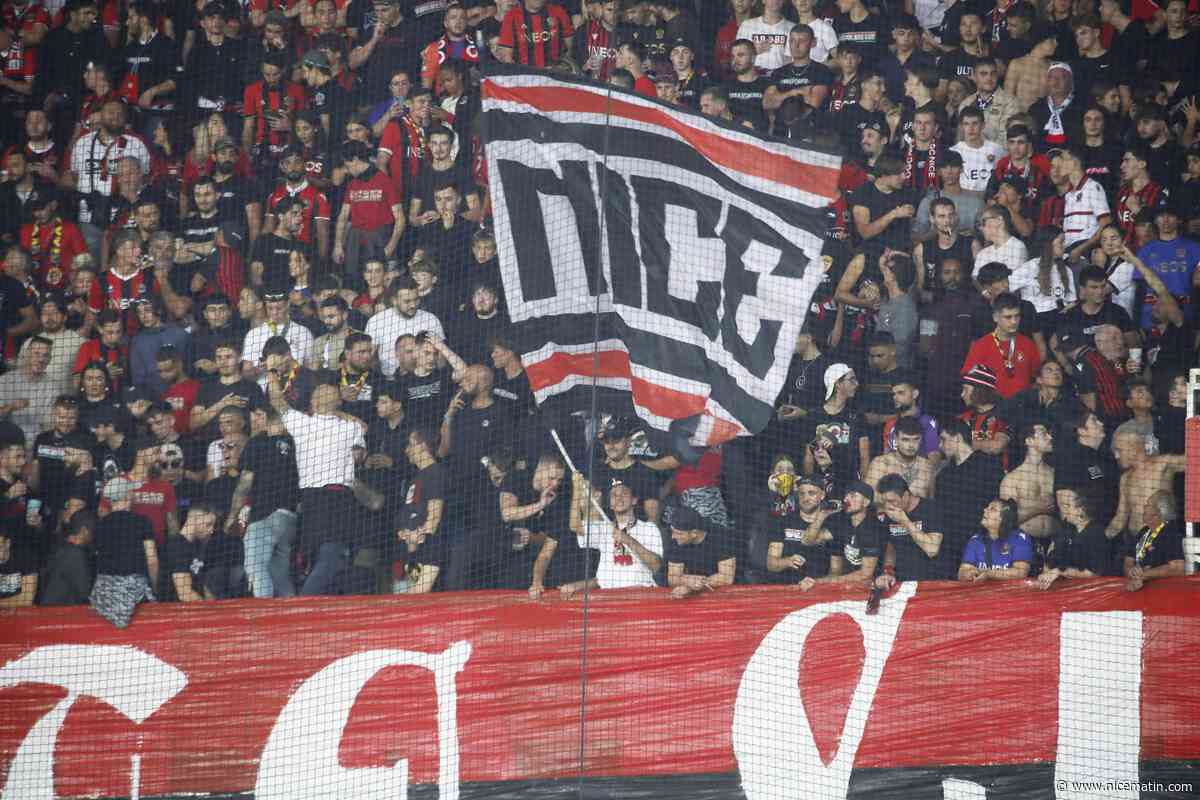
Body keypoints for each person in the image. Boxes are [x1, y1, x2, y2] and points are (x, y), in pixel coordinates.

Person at [271, 379, 364, 596]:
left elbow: (360, 455)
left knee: (331, 554)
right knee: (319, 556)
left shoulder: (352, 427)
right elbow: (277, 401)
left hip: (337, 495)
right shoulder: (303, 422)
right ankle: (306, 601)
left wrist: (358, 455)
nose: (328, 390)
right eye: (323, 388)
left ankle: (306, 601)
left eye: (331, 389)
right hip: (315, 497)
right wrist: (273, 375)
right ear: (313, 401)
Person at [229, 403, 299, 598]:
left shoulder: (257, 442)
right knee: (279, 574)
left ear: (264, 416)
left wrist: (232, 516)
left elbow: (245, 483)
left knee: (255, 567)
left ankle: (262, 614)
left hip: (263, 515)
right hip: (289, 518)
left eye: (256, 417)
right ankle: (292, 617)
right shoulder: (296, 442)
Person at [561, 474, 663, 596]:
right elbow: (575, 526)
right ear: (610, 504)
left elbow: (657, 566)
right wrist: (577, 489)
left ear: (634, 500)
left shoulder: (649, 529)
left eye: (624, 493)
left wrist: (628, 540)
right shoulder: (604, 528)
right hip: (608, 598)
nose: (619, 498)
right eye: (614, 495)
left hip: (640, 596)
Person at [90, 475, 158, 628]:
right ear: (127, 496)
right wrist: (155, 587)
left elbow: (96, 558)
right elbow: (152, 559)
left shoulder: (99, 526)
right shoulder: (143, 521)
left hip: (104, 591)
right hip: (134, 590)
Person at [936, 418, 1004, 561]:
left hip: (985, 544)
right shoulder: (943, 476)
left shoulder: (989, 465)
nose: (940, 445)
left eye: (943, 439)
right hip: (952, 549)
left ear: (958, 437)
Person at [798, 481, 886, 591]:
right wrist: (822, 515)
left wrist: (819, 582)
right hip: (847, 585)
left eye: (853, 496)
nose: (846, 499)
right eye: (846, 495)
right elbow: (807, 540)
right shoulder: (843, 523)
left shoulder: (872, 527)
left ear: (866, 502)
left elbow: (865, 574)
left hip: (875, 588)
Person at [1107, 429, 1187, 542]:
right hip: (1134, 542)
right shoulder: (1125, 478)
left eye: (1119, 450)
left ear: (1133, 449)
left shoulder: (1163, 464)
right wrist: (1102, 537)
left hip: (1161, 539)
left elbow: (1194, 459)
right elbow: (1120, 517)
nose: (1116, 456)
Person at [395, 427, 447, 594]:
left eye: (410, 445)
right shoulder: (415, 477)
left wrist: (418, 534)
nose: (407, 450)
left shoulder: (435, 473)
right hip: (409, 549)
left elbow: (434, 516)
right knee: (401, 597)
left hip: (428, 550)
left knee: (415, 598)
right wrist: (404, 532)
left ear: (423, 446)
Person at [961, 291, 1041, 398]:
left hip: (1023, 408)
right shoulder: (981, 346)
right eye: (1008, 317)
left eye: (1017, 316)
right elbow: (969, 382)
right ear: (995, 317)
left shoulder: (1028, 344)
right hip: (994, 409)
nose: (1014, 321)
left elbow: (1037, 378)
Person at [364, 276, 446, 378]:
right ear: (394, 300)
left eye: (416, 300)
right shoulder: (376, 322)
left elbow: (442, 360)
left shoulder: (431, 320)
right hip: (391, 382)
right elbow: (367, 358)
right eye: (407, 301)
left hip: (428, 381)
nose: (413, 305)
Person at [762, 472, 834, 583]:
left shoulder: (832, 524)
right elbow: (771, 563)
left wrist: (818, 583)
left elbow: (836, 571)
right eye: (802, 493)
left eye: (811, 493)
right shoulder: (783, 521)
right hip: (786, 586)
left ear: (822, 495)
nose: (806, 498)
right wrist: (788, 561)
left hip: (818, 587)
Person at [876, 473, 947, 581]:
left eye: (891, 501)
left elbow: (932, 550)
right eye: (884, 502)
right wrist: (888, 571)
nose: (888, 506)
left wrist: (905, 521)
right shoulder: (890, 514)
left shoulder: (931, 508)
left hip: (930, 580)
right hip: (902, 580)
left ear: (905, 495)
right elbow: (891, 547)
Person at [1036, 487, 1111, 588]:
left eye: (1068, 506)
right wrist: (1046, 574)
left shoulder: (1096, 533)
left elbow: (1093, 573)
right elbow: (1051, 561)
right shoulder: (1065, 530)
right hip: (1064, 588)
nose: (1064, 510)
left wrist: (1059, 572)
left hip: (1091, 590)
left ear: (1080, 511)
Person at [664, 504, 736, 599]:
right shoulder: (676, 540)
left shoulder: (721, 537)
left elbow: (727, 577)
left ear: (694, 533)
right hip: (694, 590)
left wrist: (692, 585)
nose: (673, 536)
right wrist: (690, 583)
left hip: (724, 591)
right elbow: (672, 578)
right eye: (672, 531)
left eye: (679, 533)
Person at [1000, 423, 1057, 540]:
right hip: (1024, 544)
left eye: (1049, 434)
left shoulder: (1055, 474)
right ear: (1029, 441)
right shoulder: (1012, 479)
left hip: (1054, 542)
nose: (1050, 437)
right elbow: (1005, 519)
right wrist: (1038, 508)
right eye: (1044, 434)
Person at [1123, 491, 1186, 592]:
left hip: (1163, 591)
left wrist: (1144, 574)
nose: (1144, 507)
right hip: (1138, 586)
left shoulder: (1170, 533)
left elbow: (1178, 568)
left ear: (1157, 513)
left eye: (1148, 505)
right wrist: (1131, 572)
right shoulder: (1143, 532)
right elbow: (1128, 561)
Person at [0, 336, 58, 443]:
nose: (41, 359)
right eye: (36, 353)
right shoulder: (5, 381)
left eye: (45, 355)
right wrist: (11, 407)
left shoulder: (53, 386)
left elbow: (49, 425)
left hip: (37, 443)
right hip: (7, 442)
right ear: (27, 354)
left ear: (49, 359)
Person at [958, 498, 1032, 581]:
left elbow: (1021, 573)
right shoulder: (975, 540)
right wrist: (968, 574)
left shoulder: (1019, 539)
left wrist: (989, 574)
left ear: (1004, 517)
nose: (985, 510)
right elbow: (962, 572)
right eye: (987, 507)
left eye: (992, 509)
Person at [865, 415, 934, 498]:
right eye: (905, 439)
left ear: (921, 439)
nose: (911, 445)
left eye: (916, 439)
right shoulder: (880, 464)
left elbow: (931, 502)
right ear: (896, 439)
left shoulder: (927, 467)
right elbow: (868, 499)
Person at [163, 504, 219, 602]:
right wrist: (208, 610)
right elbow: (184, 594)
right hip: (176, 610)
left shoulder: (198, 546)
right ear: (195, 520)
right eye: (208, 524)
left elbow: (203, 585)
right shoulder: (177, 546)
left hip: (195, 607)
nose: (211, 530)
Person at [40, 510, 96, 605]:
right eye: (93, 532)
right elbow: (85, 593)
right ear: (84, 531)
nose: (93, 536)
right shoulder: (75, 554)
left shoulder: (59, 545)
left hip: (48, 608)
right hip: (59, 613)